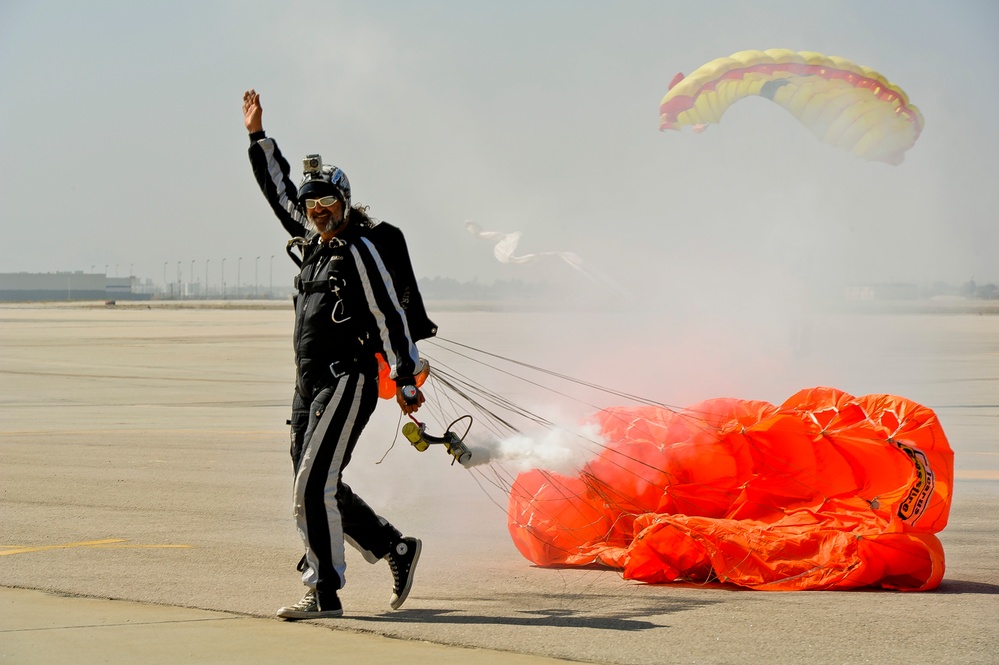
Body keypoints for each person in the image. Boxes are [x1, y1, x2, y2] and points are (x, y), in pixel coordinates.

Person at [241, 89, 438, 620]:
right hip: (307, 387)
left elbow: (388, 317)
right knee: (313, 483)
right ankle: (396, 548)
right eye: (312, 204)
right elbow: (279, 192)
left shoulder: (359, 250)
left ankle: (324, 591)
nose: (317, 210)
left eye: (328, 202)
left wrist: (405, 375)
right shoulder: (311, 243)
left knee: (313, 484)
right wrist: (259, 139)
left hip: (347, 380)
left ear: (345, 203)